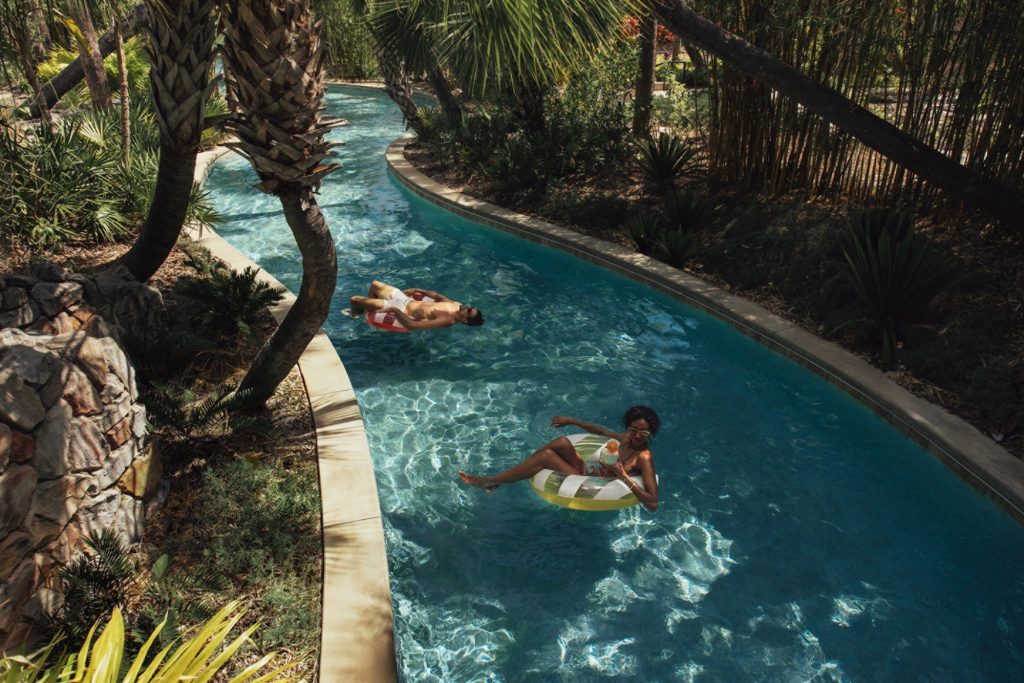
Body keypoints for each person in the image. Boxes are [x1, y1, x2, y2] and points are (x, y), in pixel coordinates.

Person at [458, 405, 660, 511]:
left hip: (592, 482)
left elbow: (653, 503)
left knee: (545, 457)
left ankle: (491, 481)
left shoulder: (644, 457)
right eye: (634, 429)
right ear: (628, 427)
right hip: (589, 470)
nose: (637, 436)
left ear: (652, 433)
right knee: (562, 441)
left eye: (644, 433)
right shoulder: (626, 438)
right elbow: (601, 431)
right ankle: (498, 481)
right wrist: (572, 420)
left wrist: (622, 474)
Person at [347, 280, 484, 330]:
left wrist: (394, 310)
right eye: (471, 307)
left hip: (401, 308)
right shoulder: (456, 305)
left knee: (354, 299)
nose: (467, 307)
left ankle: (355, 314)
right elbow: (437, 296)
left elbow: (413, 326)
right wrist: (418, 290)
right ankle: (368, 313)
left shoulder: (446, 320)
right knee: (374, 284)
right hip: (406, 300)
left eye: (469, 310)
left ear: (465, 320)